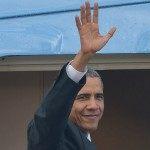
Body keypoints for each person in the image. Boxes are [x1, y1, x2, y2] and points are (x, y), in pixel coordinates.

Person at [27, 1, 116, 150]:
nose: (94, 106)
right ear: (66, 102)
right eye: (83, 97)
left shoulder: (85, 141)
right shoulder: (54, 136)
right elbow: (48, 119)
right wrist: (83, 57)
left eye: (99, 97)